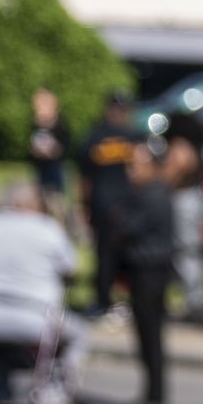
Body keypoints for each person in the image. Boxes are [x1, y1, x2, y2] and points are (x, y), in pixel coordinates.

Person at [0, 183, 90, 404]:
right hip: (35, 318)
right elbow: (71, 267)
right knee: (78, 333)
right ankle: (53, 397)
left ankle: (0, 393)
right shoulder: (48, 229)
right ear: (35, 204)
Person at [120, 141, 176, 404]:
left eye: (136, 165)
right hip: (144, 270)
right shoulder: (143, 194)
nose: (130, 171)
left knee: (150, 334)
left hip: (150, 272)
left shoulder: (153, 196)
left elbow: (127, 228)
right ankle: (152, 393)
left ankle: (155, 395)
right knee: (145, 334)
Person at [76, 90, 138, 318]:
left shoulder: (98, 136)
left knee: (112, 256)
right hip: (112, 205)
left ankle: (110, 301)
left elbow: (83, 180)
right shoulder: (131, 136)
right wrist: (84, 206)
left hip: (115, 205)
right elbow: (84, 179)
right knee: (110, 257)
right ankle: (106, 301)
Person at [165, 113, 203, 316]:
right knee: (189, 250)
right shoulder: (196, 148)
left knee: (186, 250)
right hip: (193, 198)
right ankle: (195, 296)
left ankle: (195, 299)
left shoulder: (180, 147)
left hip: (183, 199)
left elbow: (174, 172)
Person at [28, 86, 71, 224]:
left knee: (56, 203)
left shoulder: (60, 125)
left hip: (54, 172)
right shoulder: (35, 124)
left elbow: (62, 147)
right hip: (41, 171)